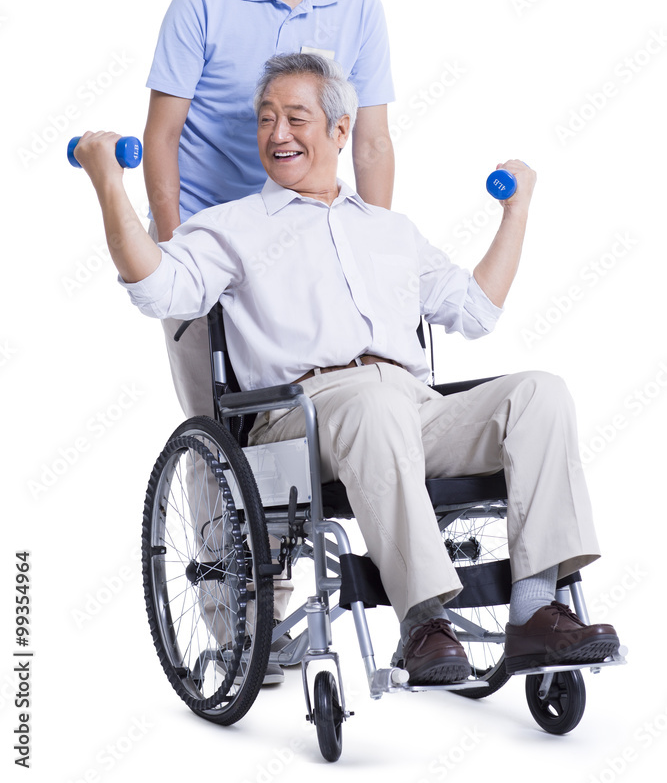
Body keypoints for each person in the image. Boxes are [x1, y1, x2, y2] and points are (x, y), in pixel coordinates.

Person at [73, 52, 619, 686]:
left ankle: (534, 614)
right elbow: (157, 291)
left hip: (412, 410)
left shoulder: (391, 231)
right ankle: (423, 622)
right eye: (265, 120)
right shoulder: (231, 227)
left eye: (296, 118)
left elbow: (476, 311)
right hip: (298, 422)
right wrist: (109, 184)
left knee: (540, 394)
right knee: (373, 404)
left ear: (339, 129)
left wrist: (516, 212)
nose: (277, 135)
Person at [143, 0, 395, 421]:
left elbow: (372, 141)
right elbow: (161, 137)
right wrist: (178, 249)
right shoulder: (201, 2)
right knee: (217, 421)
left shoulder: (358, 8)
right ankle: (214, 514)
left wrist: (377, 246)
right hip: (208, 233)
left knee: (311, 406)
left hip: (302, 239)